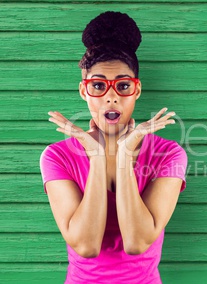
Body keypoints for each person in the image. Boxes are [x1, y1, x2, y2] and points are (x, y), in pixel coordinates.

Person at [39, 11, 187, 284]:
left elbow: (136, 242)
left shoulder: (169, 154)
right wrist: (95, 156)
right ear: (84, 91)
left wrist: (125, 157)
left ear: (137, 89)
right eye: (98, 86)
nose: (111, 98)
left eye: (122, 86)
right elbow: (86, 246)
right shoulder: (56, 156)